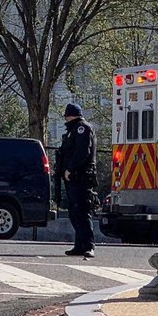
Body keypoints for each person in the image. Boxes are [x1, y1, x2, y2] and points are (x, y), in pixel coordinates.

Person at [60, 102, 97, 258]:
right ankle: (79, 245)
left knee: (82, 211)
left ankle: (89, 246)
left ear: (70, 115)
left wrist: (70, 169)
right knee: (75, 212)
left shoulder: (82, 128)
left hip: (81, 176)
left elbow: (82, 153)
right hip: (73, 177)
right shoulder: (74, 130)